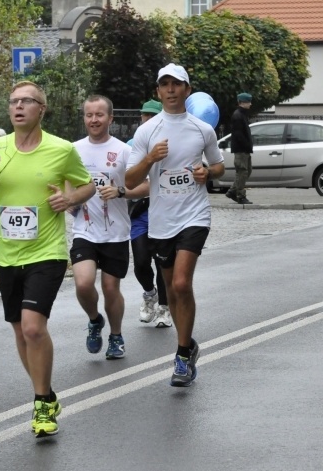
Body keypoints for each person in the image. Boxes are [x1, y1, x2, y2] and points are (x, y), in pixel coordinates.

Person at [0, 81, 95, 437]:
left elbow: (86, 185)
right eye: (14, 101)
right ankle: (48, 395)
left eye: (27, 101)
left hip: (46, 252)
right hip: (7, 254)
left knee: (34, 327)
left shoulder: (61, 149)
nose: (19, 106)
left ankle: (40, 404)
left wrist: (69, 200)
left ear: (42, 109)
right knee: (22, 333)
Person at [126, 63, 225, 386]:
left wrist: (206, 173)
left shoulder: (201, 129)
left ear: (186, 89)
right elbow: (129, 179)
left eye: (176, 84)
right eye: (164, 84)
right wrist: (150, 160)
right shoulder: (147, 131)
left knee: (182, 284)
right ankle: (188, 345)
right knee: (171, 286)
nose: (170, 90)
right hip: (161, 221)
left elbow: (220, 166)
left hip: (194, 215)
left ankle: (182, 354)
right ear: (158, 91)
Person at [70, 95, 150, 360]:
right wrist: (70, 199)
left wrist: (120, 192)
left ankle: (116, 336)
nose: (94, 120)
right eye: (89, 115)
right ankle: (95, 320)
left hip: (115, 231)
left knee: (110, 288)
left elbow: (147, 185)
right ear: (84, 118)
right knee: (82, 284)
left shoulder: (124, 151)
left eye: (99, 115)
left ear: (110, 118)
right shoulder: (74, 150)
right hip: (84, 230)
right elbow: (65, 180)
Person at [131, 99, 171, 327]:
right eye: (144, 116)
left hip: (163, 212)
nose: (147, 120)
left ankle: (164, 309)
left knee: (163, 264)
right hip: (139, 214)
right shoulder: (132, 144)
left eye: (152, 116)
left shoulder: (169, 146)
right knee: (140, 262)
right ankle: (149, 294)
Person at [226, 92, 254, 205]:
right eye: (249, 102)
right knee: (242, 172)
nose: (251, 104)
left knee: (246, 171)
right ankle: (240, 195)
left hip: (244, 149)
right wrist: (246, 145)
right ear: (243, 102)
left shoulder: (242, 114)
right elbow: (238, 134)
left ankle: (232, 191)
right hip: (241, 149)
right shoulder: (238, 115)